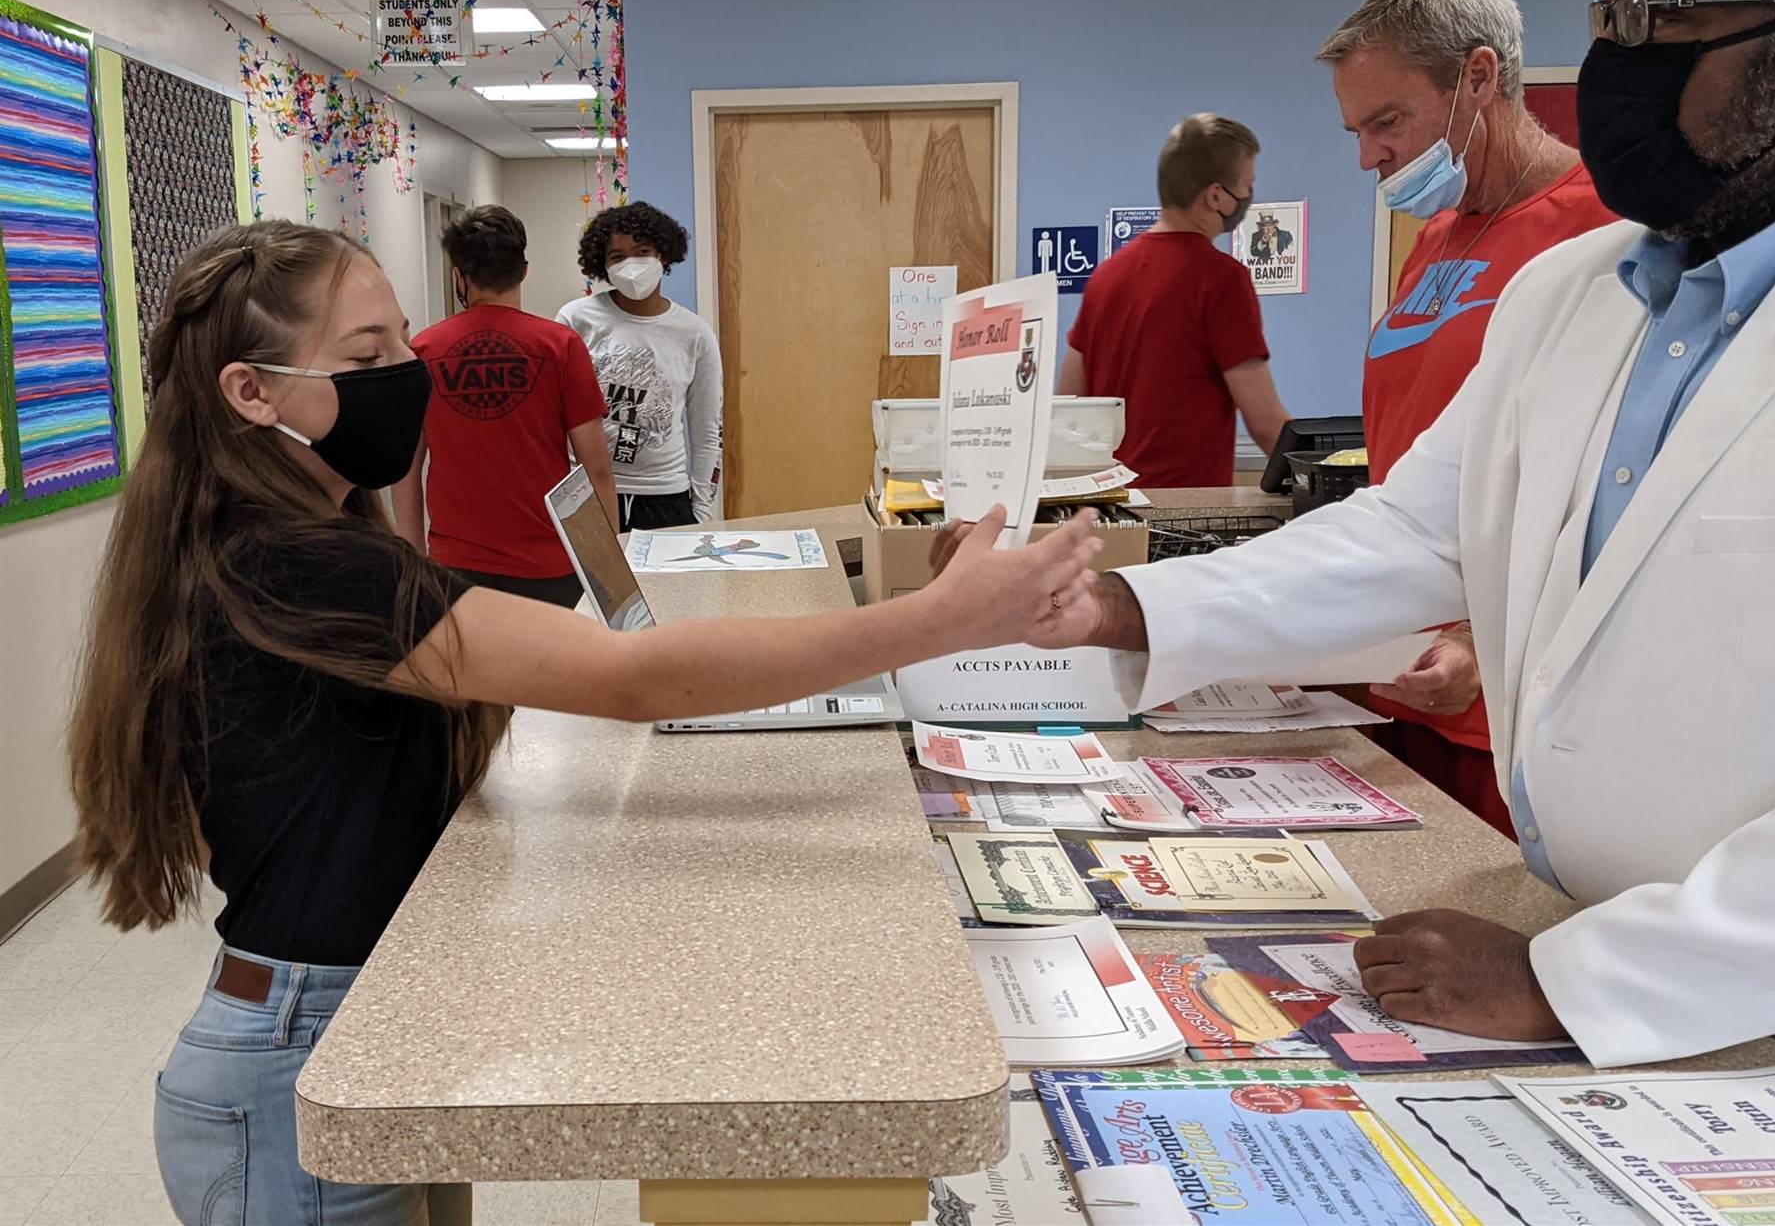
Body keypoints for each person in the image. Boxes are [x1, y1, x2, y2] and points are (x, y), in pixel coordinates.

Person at [939, 0, 1775, 1114]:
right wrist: (1117, 603)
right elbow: (1415, 530)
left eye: (1658, 15)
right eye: (1606, 12)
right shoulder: (1581, 289)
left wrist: (1582, 976)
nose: (1612, 58)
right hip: (1573, 947)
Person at [65, 220, 1101, 1226]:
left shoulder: (286, 542)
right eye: (366, 354)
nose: (403, 373)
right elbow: (634, 676)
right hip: (292, 1060)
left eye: (401, 341)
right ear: (251, 391)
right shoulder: (300, 564)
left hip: (350, 1014)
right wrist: (933, 620)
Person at [1314, 0, 1617, 835]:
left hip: (1507, 703)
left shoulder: (1602, 231)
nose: (1368, 155)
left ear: (1479, 79)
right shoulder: (1436, 240)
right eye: (1356, 128)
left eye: (1386, 121)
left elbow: (1620, 480)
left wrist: (1486, 645)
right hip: (1400, 677)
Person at [393, 205, 616, 607]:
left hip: (454, 567)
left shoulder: (423, 351)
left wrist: (410, 562)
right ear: (524, 270)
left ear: (459, 276)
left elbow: (405, 470)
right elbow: (595, 468)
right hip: (552, 567)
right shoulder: (560, 347)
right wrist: (608, 568)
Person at [1060, 114, 1289, 487]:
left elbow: (1069, 405)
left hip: (1114, 512)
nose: (1248, 196)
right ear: (1216, 196)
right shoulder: (1220, 279)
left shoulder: (1105, 277)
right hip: (1186, 520)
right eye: (1247, 185)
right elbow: (1265, 425)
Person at [557, 202, 721, 531]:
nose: (631, 265)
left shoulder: (694, 334)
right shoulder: (575, 320)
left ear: (663, 255)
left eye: (642, 251)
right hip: (588, 491)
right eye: (617, 256)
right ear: (602, 266)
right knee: (591, 585)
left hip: (664, 496)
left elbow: (707, 431)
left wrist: (702, 511)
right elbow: (553, 416)